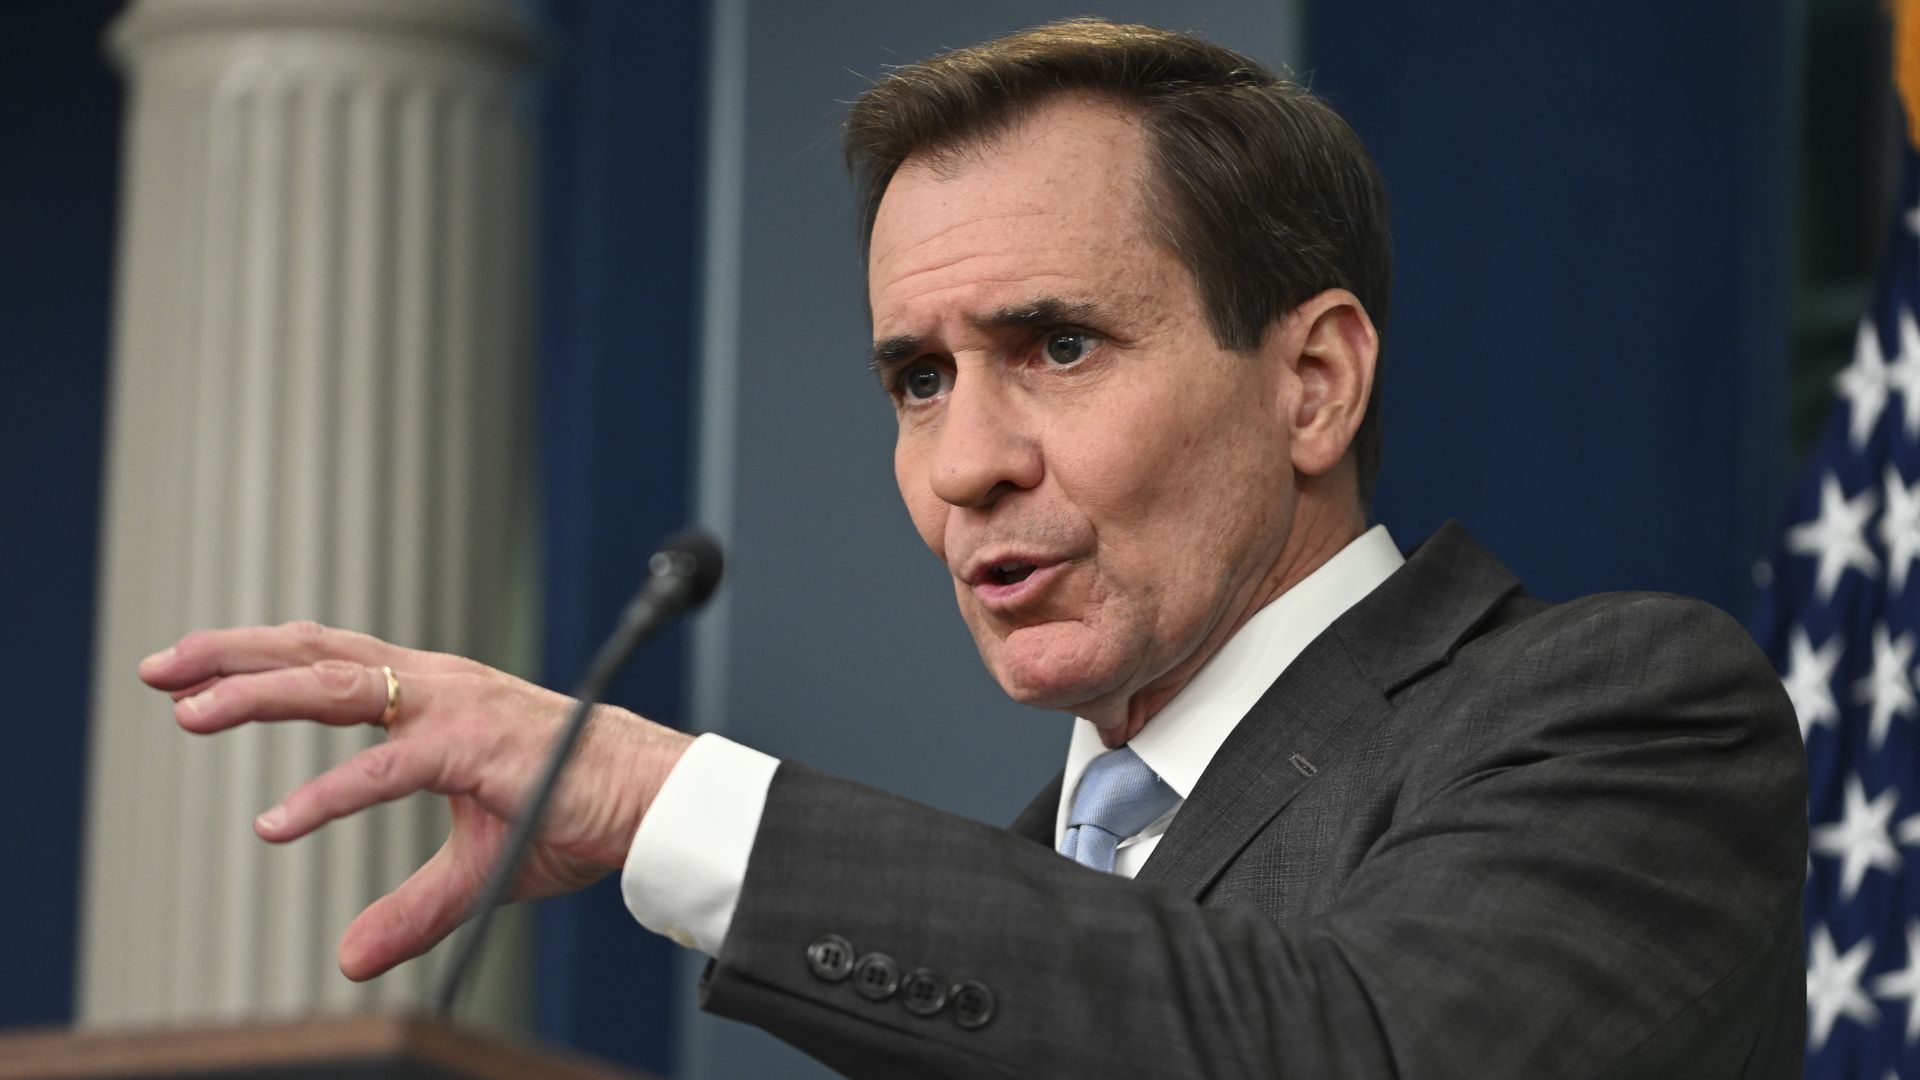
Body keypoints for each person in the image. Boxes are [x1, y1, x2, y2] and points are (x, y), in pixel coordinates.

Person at [138, 19, 1807, 1079]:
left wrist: (658, 796)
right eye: (919, 379)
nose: (965, 465)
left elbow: (1352, 1053)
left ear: (1312, 382)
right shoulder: (1020, 896)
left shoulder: (1620, 711)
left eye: (1059, 346)